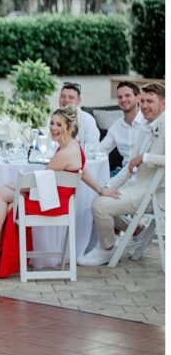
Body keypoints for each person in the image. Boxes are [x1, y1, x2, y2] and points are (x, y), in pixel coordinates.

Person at [0, 106, 101, 277]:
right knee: (7, 206)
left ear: (70, 128)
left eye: (59, 125)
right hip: (57, 200)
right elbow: (84, 172)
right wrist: (100, 189)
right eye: (52, 123)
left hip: (51, 203)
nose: (53, 128)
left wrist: (15, 186)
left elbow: (40, 184)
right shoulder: (74, 146)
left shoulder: (64, 153)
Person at [79, 83, 165, 266]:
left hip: (157, 191)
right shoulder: (145, 126)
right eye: (144, 101)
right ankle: (122, 237)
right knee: (98, 197)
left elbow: (141, 160)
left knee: (100, 206)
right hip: (138, 185)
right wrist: (107, 187)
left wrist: (146, 157)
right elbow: (129, 167)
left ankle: (106, 248)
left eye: (151, 101)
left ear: (163, 104)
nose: (146, 106)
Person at [98, 81, 144, 169]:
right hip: (123, 173)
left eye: (127, 95)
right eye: (120, 97)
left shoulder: (148, 123)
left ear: (138, 98)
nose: (123, 100)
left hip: (145, 174)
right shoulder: (116, 126)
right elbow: (100, 151)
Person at [48, 82, 100, 150]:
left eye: (71, 98)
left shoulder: (88, 120)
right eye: (63, 96)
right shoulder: (53, 118)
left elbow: (92, 149)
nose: (66, 100)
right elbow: (48, 144)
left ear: (78, 101)